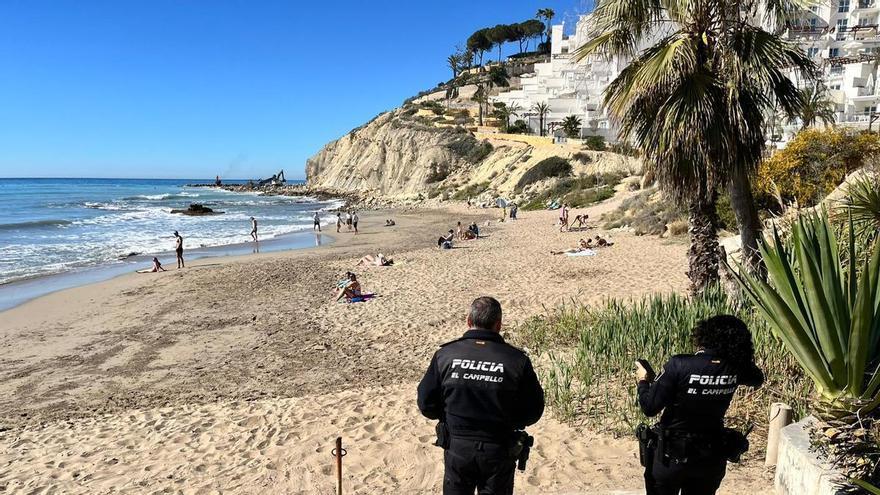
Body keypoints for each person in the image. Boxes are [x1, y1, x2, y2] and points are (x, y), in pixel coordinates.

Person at [417, 297, 545, 495]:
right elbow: (533, 410)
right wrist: (511, 421)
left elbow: (426, 404)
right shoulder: (516, 360)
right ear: (498, 325)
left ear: (469, 321)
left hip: (458, 445)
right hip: (498, 446)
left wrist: (449, 416)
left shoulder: (446, 355)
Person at [636, 315, 764, 495]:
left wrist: (643, 381)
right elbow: (757, 378)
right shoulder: (737, 368)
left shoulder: (679, 364)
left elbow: (649, 407)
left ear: (704, 335)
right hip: (710, 457)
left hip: (670, 457)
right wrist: (740, 355)